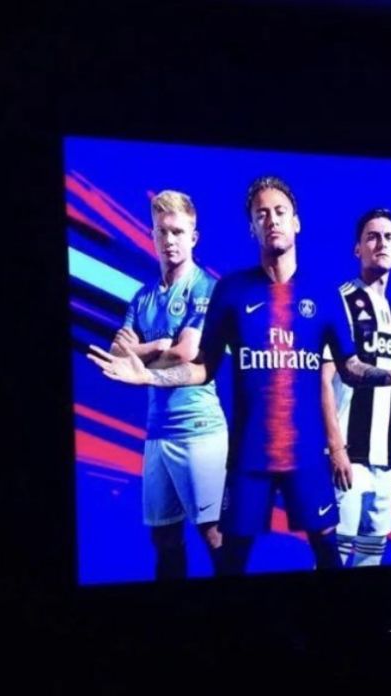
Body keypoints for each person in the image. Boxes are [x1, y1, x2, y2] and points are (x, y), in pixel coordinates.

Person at [88, 177, 391, 574]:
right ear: (252, 227)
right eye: (261, 214)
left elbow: (350, 368)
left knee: (328, 556)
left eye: (280, 212)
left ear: (296, 222)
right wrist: (150, 378)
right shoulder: (231, 291)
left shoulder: (323, 295)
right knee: (230, 561)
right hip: (249, 458)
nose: (272, 220)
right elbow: (203, 367)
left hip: (306, 456)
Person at [107, 190, 226, 580]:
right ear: (152, 235)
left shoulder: (204, 287)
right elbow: (117, 352)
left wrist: (143, 353)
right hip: (157, 432)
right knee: (164, 537)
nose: (170, 240)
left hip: (198, 429)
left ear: (194, 236)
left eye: (178, 231)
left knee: (214, 535)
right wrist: (157, 345)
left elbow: (187, 351)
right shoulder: (143, 296)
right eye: (162, 231)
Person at [320, 208, 391, 567]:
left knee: (371, 557)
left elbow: (390, 390)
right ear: (357, 249)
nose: (381, 244)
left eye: (389, 237)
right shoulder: (342, 301)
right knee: (335, 556)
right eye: (372, 237)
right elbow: (324, 379)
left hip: (384, 460)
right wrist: (336, 448)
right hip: (348, 455)